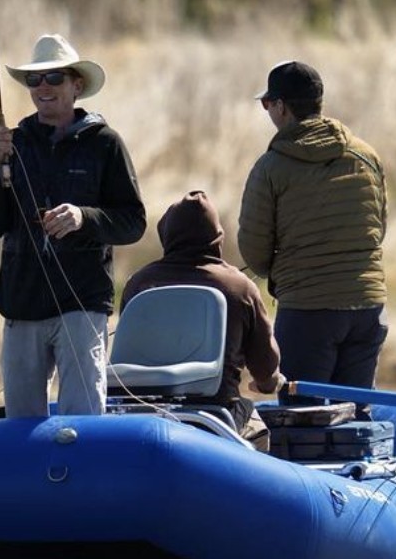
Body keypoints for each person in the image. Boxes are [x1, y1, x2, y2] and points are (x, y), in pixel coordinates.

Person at [0, 33, 146, 417]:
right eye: (34, 80)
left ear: (76, 86)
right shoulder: (12, 145)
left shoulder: (106, 144)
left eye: (54, 77)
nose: (43, 87)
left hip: (81, 305)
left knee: (83, 422)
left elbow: (133, 223)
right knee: (21, 426)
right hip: (21, 304)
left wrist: (83, 217)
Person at [237, 60, 388, 401]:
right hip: (369, 307)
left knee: (301, 417)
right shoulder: (366, 155)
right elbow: (378, 228)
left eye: (267, 103)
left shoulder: (270, 167)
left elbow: (255, 251)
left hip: (307, 310)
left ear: (282, 107)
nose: (267, 110)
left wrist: (282, 269)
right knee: (356, 415)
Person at [121, 191, 283, 450]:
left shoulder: (138, 284)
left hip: (142, 414)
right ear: (217, 237)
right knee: (258, 428)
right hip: (217, 413)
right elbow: (265, 366)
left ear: (166, 233)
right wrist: (268, 383)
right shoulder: (240, 288)